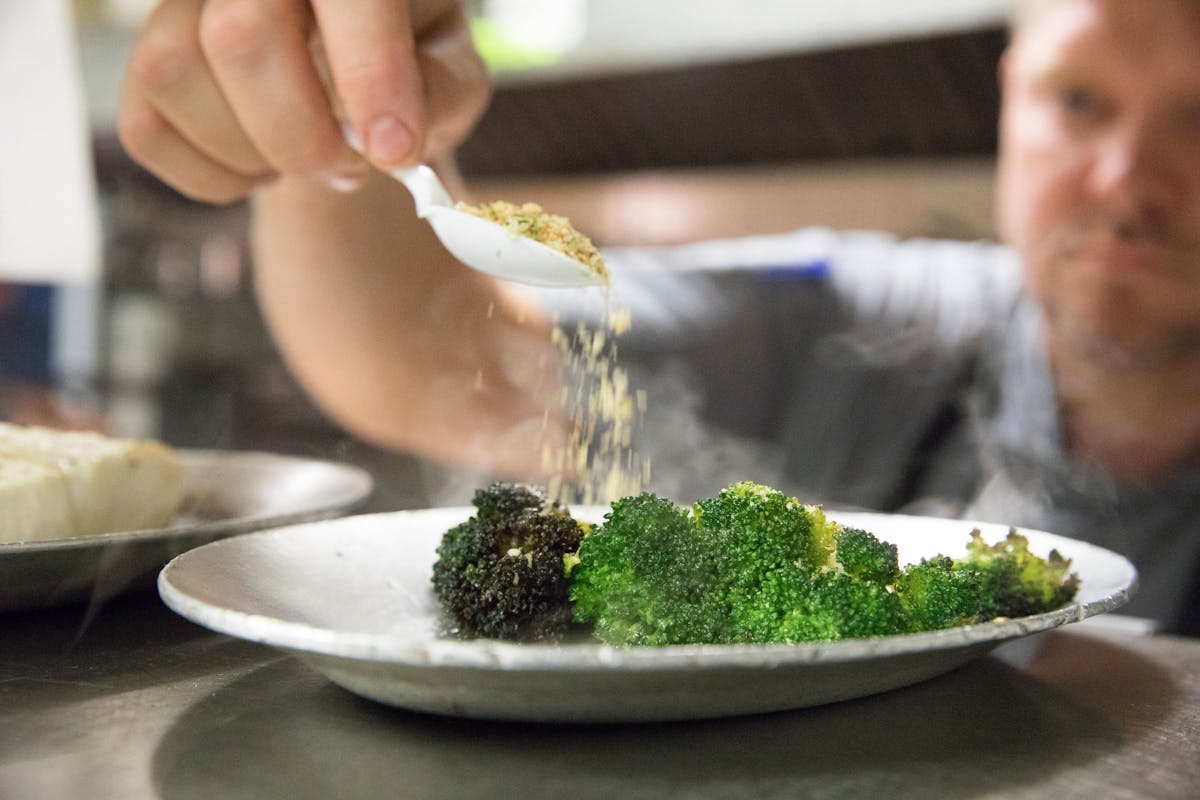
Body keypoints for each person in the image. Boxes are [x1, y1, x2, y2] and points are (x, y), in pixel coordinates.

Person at [116, 0, 1200, 635]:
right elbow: (424, 347)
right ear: (1010, 96)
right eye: (1078, 100)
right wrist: (333, 107)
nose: (1129, 179)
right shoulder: (869, 320)